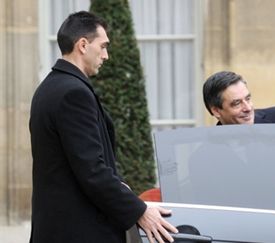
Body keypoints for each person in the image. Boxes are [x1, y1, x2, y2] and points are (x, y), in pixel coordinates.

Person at [29, 11, 177, 243]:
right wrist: (140, 211)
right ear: (83, 45)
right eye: (104, 46)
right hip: (79, 231)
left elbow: (73, 164)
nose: (106, 55)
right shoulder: (73, 93)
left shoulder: (49, 87)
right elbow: (92, 170)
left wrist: (119, 187)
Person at [203, 71, 275, 125]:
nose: (248, 108)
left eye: (248, 99)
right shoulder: (204, 155)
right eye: (237, 103)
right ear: (216, 111)